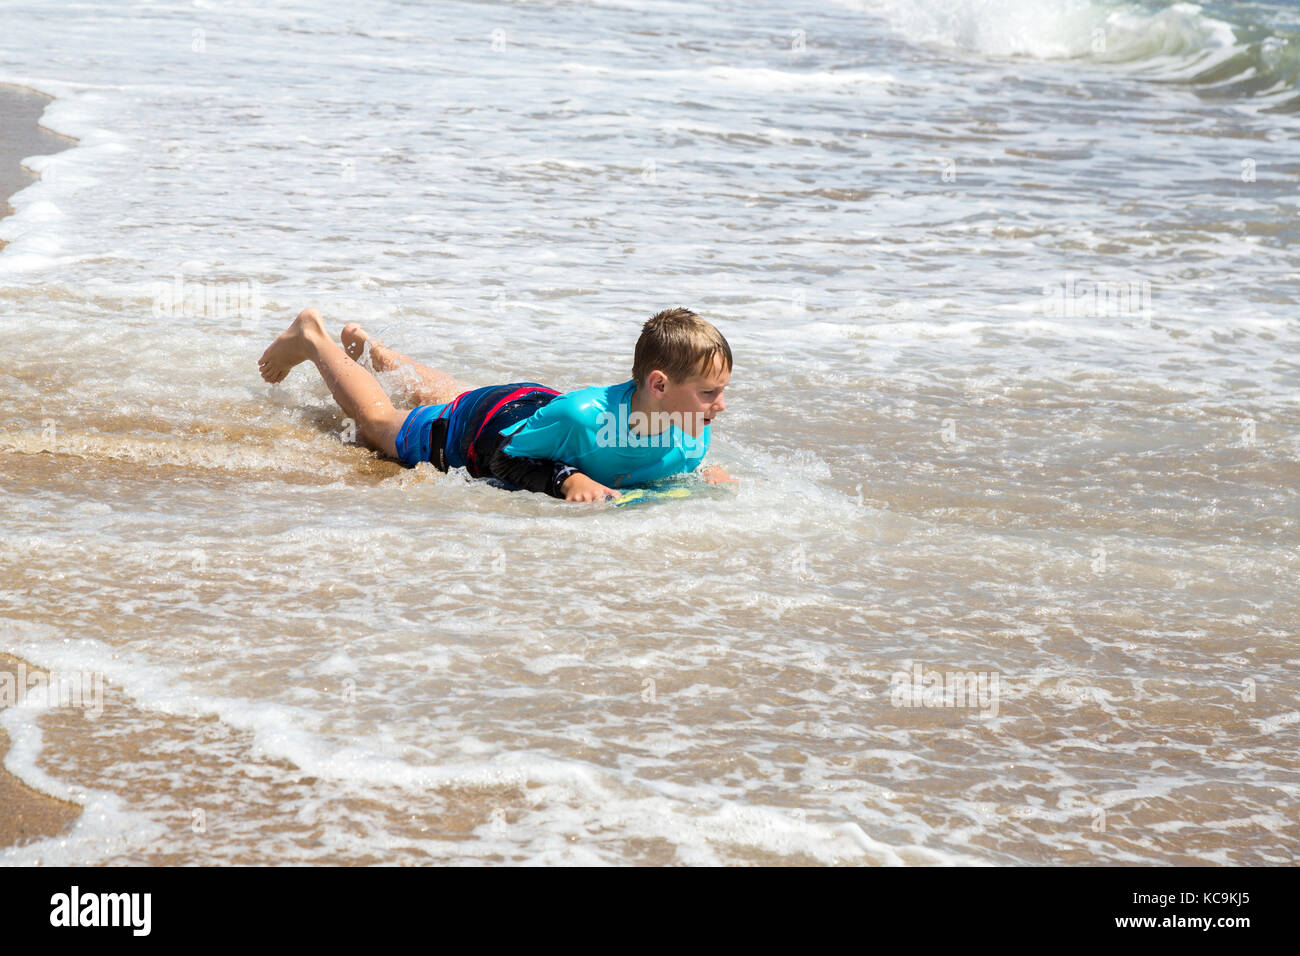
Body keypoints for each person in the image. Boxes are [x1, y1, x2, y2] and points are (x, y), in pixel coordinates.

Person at [257, 306, 734, 501]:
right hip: (493, 427)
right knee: (381, 428)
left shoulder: (691, 428)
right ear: (658, 385)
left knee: (459, 394)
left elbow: (662, 464)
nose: (720, 406)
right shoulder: (584, 419)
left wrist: (701, 475)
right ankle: (314, 337)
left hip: (535, 409)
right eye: (709, 393)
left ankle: (377, 354)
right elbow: (502, 456)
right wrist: (565, 478)